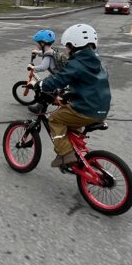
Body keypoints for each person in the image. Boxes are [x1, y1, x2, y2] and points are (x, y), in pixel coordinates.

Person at [37, 23, 111, 168]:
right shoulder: (95, 62)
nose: (66, 49)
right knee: (70, 118)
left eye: (67, 46)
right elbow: (87, 84)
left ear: (74, 45)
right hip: (101, 107)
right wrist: (69, 95)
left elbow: (60, 78)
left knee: (55, 119)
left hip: (86, 109)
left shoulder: (77, 63)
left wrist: (41, 85)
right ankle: (77, 152)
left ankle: (65, 154)